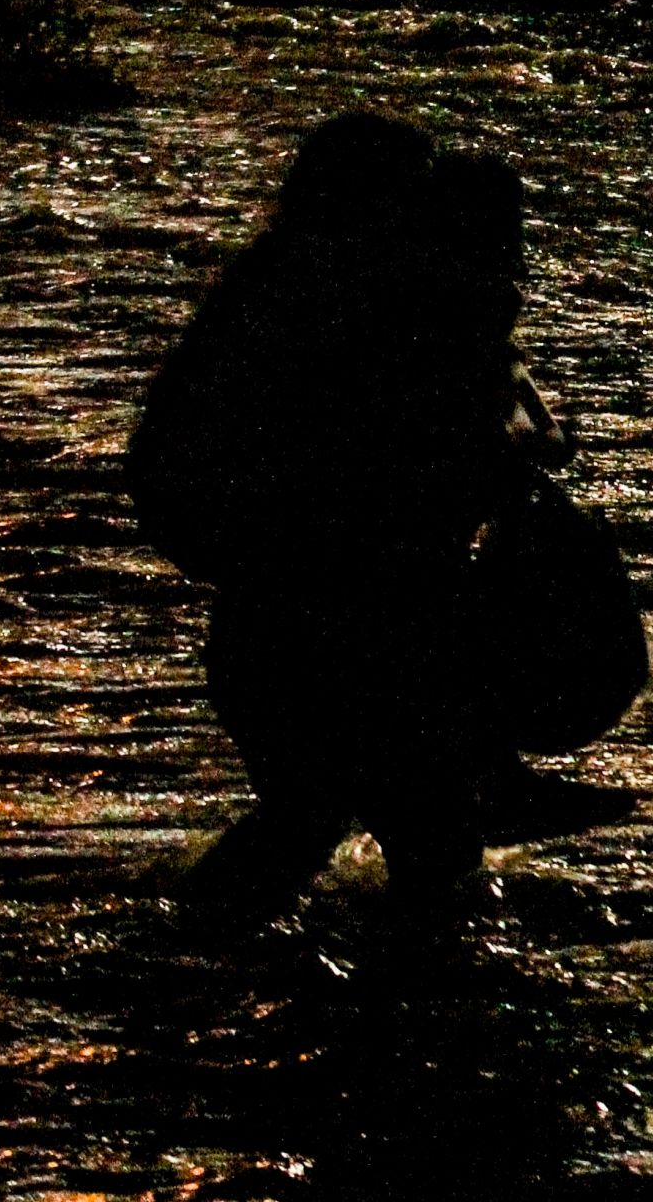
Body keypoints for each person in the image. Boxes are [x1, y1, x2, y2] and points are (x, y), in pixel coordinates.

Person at [129, 113, 622, 910]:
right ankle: (184, 962)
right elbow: (414, 466)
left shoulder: (278, 292)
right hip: (336, 628)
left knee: (326, 822)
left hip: (285, 621)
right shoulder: (356, 313)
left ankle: (184, 964)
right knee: (390, 838)